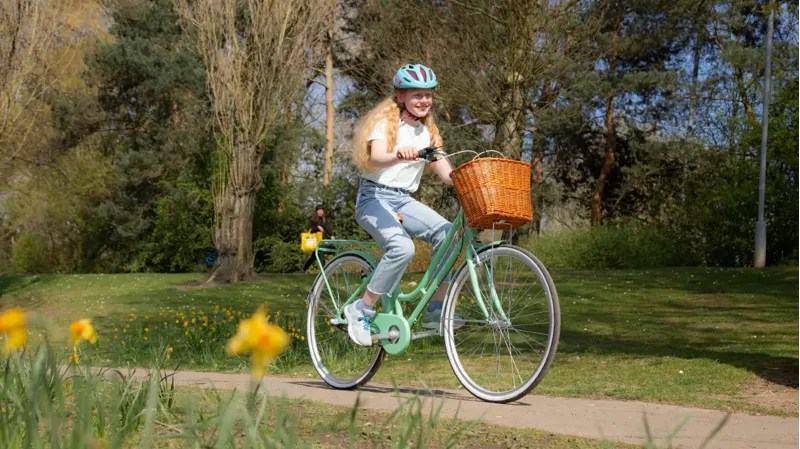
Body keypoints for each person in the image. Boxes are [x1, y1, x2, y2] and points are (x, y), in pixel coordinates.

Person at [344, 64, 460, 346]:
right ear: (401, 96)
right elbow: (377, 157)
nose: (424, 100)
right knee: (402, 248)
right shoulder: (386, 124)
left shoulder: (428, 134)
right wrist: (399, 154)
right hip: (374, 197)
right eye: (417, 94)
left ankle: (435, 310)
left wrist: (468, 178)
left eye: (428, 95)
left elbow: (448, 175)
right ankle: (361, 309)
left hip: (403, 200)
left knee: (448, 234)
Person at [302, 205, 334, 272]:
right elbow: (310, 230)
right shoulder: (313, 220)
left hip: (322, 240)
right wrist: (317, 227)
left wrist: (331, 235)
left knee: (313, 256)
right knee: (320, 251)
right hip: (315, 241)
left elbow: (328, 229)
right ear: (317, 211)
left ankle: (303, 269)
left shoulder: (325, 220)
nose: (320, 212)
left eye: (322, 210)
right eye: (319, 210)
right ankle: (323, 270)